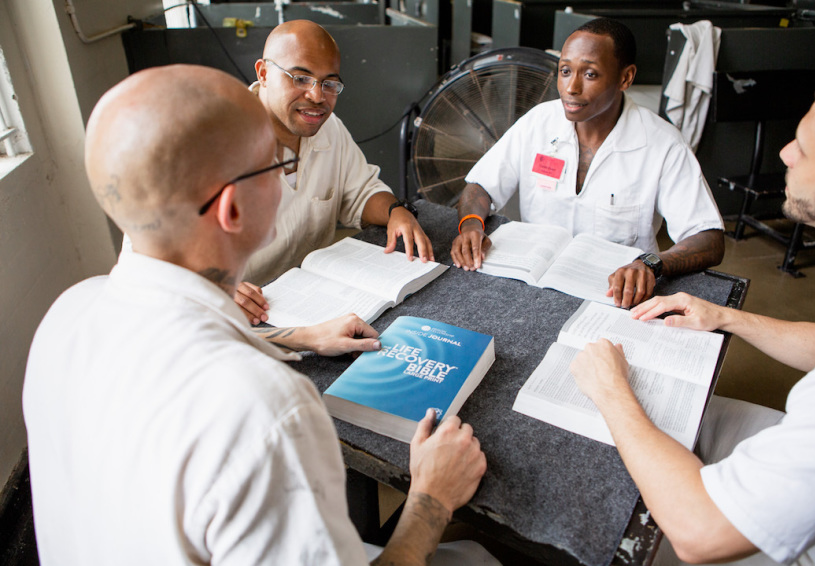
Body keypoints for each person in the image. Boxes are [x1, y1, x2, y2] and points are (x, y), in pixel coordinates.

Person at [23, 64, 495, 565]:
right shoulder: (266, 409)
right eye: (277, 164)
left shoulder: (67, 313)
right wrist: (431, 498)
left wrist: (298, 336)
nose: (287, 173)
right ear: (232, 209)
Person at [570, 67, 815, 566]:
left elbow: (701, 535)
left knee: (604, 534)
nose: (785, 153)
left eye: (804, 150)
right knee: (683, 416)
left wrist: (611, 390)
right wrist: (726, 318)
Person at [451, 18, 724, 308]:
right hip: (534, 284)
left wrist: (650, 263)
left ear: (625, 78)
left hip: (613, 295)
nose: (571, 87)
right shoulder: (538, 122)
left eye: (590, 74)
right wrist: (471, 226)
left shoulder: (663, 144)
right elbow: (480, 186)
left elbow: (708, 238)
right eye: (565, 71)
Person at [236, 20, 434, 326]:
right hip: (248, 316)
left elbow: (361, 192)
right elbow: (160, 259)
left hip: (316, 301)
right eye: (300, 78)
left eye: (329, 83)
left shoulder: (329, 129)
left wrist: (396, 211)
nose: (317, 96)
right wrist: (214, 288)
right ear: (263, 73)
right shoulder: (214, 142)